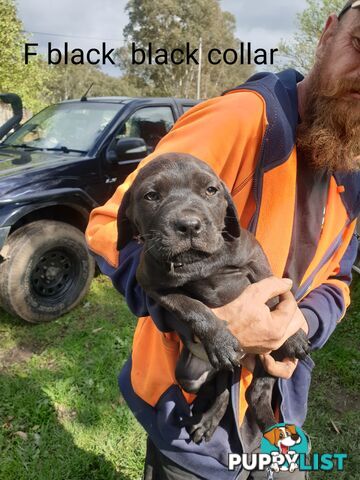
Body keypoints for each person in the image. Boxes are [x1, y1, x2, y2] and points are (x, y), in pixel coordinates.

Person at [85, 1, 360, 479]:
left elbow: (337, 280)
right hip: (189, 405)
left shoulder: (353, 173)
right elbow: (111, 226)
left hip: (277, 405)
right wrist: (208, 322)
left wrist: (301, 322)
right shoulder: (243, 118)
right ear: (327, 34)